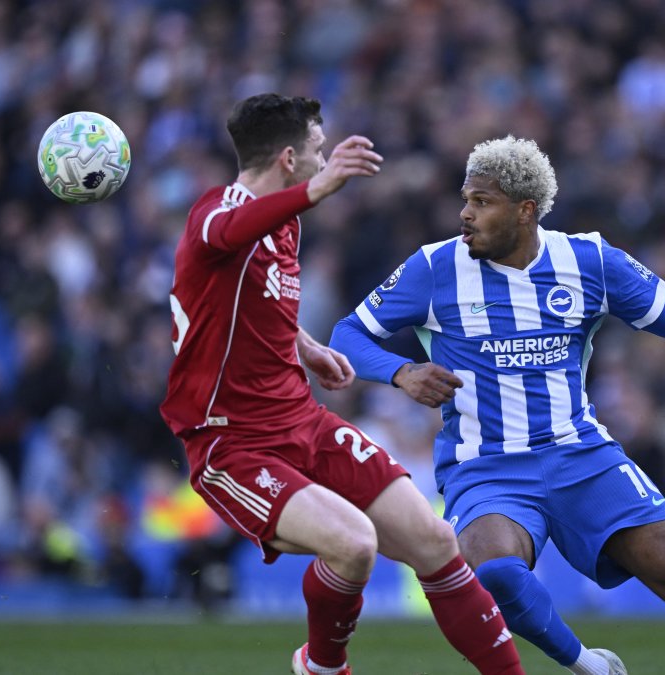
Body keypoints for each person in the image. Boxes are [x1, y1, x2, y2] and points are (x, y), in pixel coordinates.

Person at [330, 135, 665, 674]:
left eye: (481, 202)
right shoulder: (434, 268)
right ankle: (587, 664)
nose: (465, 215)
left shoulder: (589, 260)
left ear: (525, 212)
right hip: (488, 467)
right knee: (496, 572)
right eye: (466, 199)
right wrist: (401, 371)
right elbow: (347, 335)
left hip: (582, 457)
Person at [159, 93, 523, 675]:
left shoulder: (284, 229)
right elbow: (227, 235)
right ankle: (323, 668)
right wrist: (317, 189)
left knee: (433, 540)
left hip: (301, 419)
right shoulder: (214, 211)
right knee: (354, 545)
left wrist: (305, 346)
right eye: (317, 150)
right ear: (288, 157)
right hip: (232, 443)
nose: (324, 158)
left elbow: (240, 298)